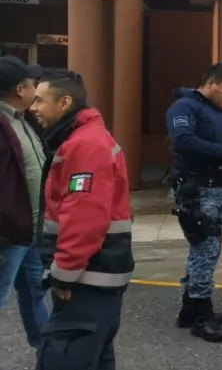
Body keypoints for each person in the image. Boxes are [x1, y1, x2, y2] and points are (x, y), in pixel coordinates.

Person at [31, 69, 133, 369]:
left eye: (39, 100)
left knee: (65, 355)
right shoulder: (84, 139)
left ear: (64, 103)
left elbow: (84, 216)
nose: (33, 108)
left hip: (86, 281)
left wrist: (64, 273)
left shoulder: (85, 145)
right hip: (94, 278)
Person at [166, 63, 222, 343]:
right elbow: (182, 141)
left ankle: (189, 308)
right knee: (204, 251)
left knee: (208, 251)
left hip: (217, 189)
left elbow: (220, 147)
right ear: (210, 84)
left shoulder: (215, 111)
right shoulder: (184, 107)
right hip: (198, 191)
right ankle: (202, 315)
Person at [0, 56, 49, 349]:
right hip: (8, 233)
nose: (36, 89)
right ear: (21, 88)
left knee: (35, 292)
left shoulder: (23, 119)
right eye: (33, 84)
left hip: (30, 228)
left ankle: (48, 354)